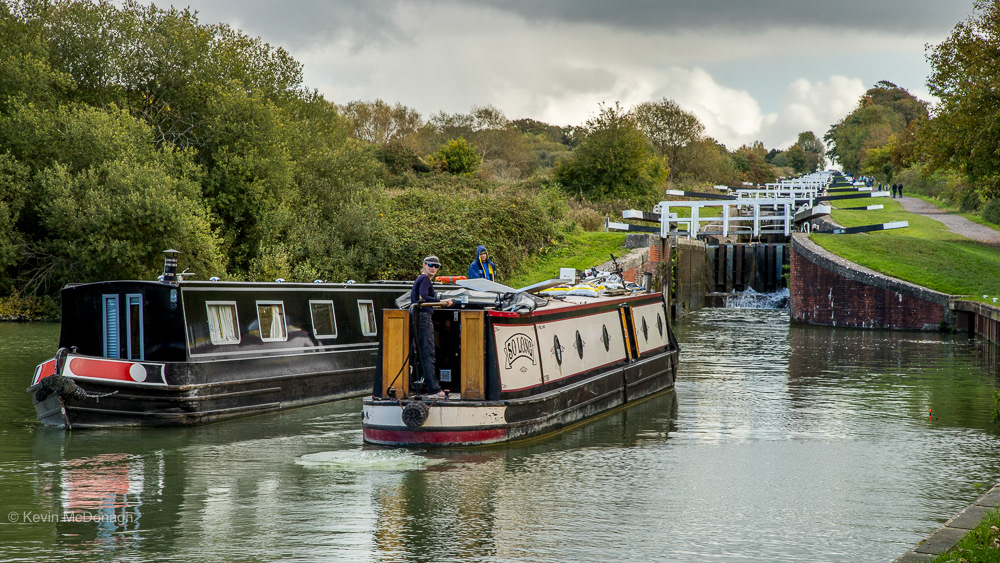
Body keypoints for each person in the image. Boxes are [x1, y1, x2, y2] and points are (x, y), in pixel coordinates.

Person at [411, 255, 454, 398]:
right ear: (424, 265)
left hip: (420, 318)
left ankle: (425, 386)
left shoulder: (420, 279)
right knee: (429, 353)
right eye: (431, 265)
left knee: (424, 353)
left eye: (437, 266)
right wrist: (442, 301)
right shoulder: (424, 279)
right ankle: (434, 390)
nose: (434, 268)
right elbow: (422, 297)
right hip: (424, 318)